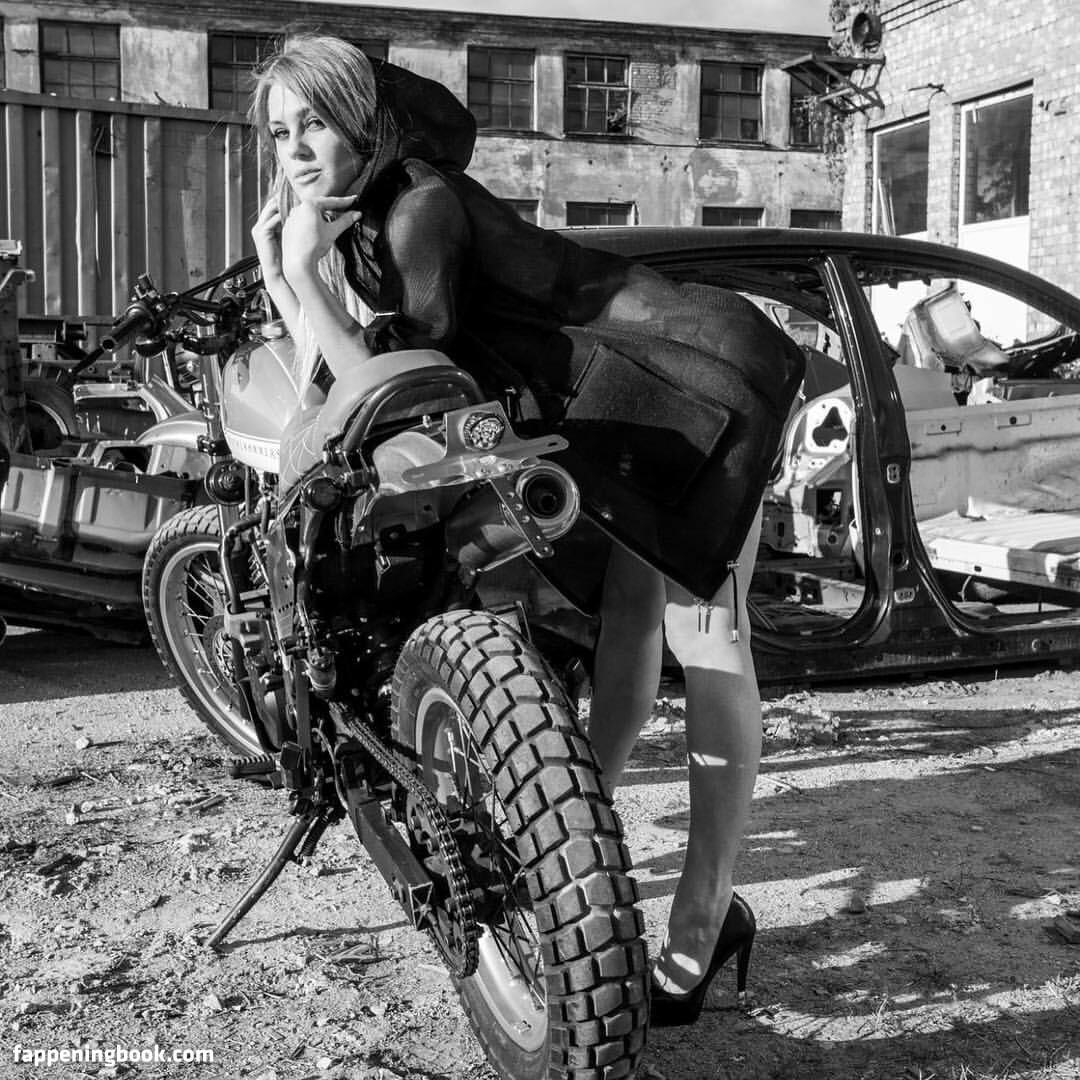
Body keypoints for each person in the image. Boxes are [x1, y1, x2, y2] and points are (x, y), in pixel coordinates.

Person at [249, 34, 803, 1027]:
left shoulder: (416, 209)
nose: (293, 150)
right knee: (629, 621)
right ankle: (571, 855)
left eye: (314, 122)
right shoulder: (366, 220)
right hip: (605, 416)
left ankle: (704, 920)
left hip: (688, 394)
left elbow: (387, 382)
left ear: (363, 123)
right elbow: (342, 396)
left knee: (709, 639)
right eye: (279, 131)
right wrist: (292, 282)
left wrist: (300, 273)